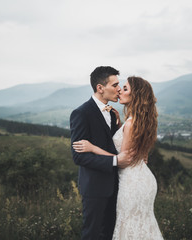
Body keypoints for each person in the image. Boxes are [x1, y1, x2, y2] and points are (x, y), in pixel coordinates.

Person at [73, 76, 163, 239]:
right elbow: (132, 149)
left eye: (125, 88)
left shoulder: (131, 123)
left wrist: (93, 148)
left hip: (132, 182)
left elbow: (123, 160)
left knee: (129, 228)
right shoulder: (138, 121)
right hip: (143, 178)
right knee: (141, 226)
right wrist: (120, 126)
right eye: (118, 86)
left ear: (136, 96)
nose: (120, 90)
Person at [70, 66, 133, 240]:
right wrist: (115, 162)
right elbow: (79, 156)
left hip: (116, 186)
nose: (119, 89)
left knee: (110, 234)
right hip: (95, 187)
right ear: (100, 88)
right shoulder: (81, 113)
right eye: (115, 85)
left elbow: (115, 146)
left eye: (119, 85)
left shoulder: (113, 114)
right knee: (92, 234)